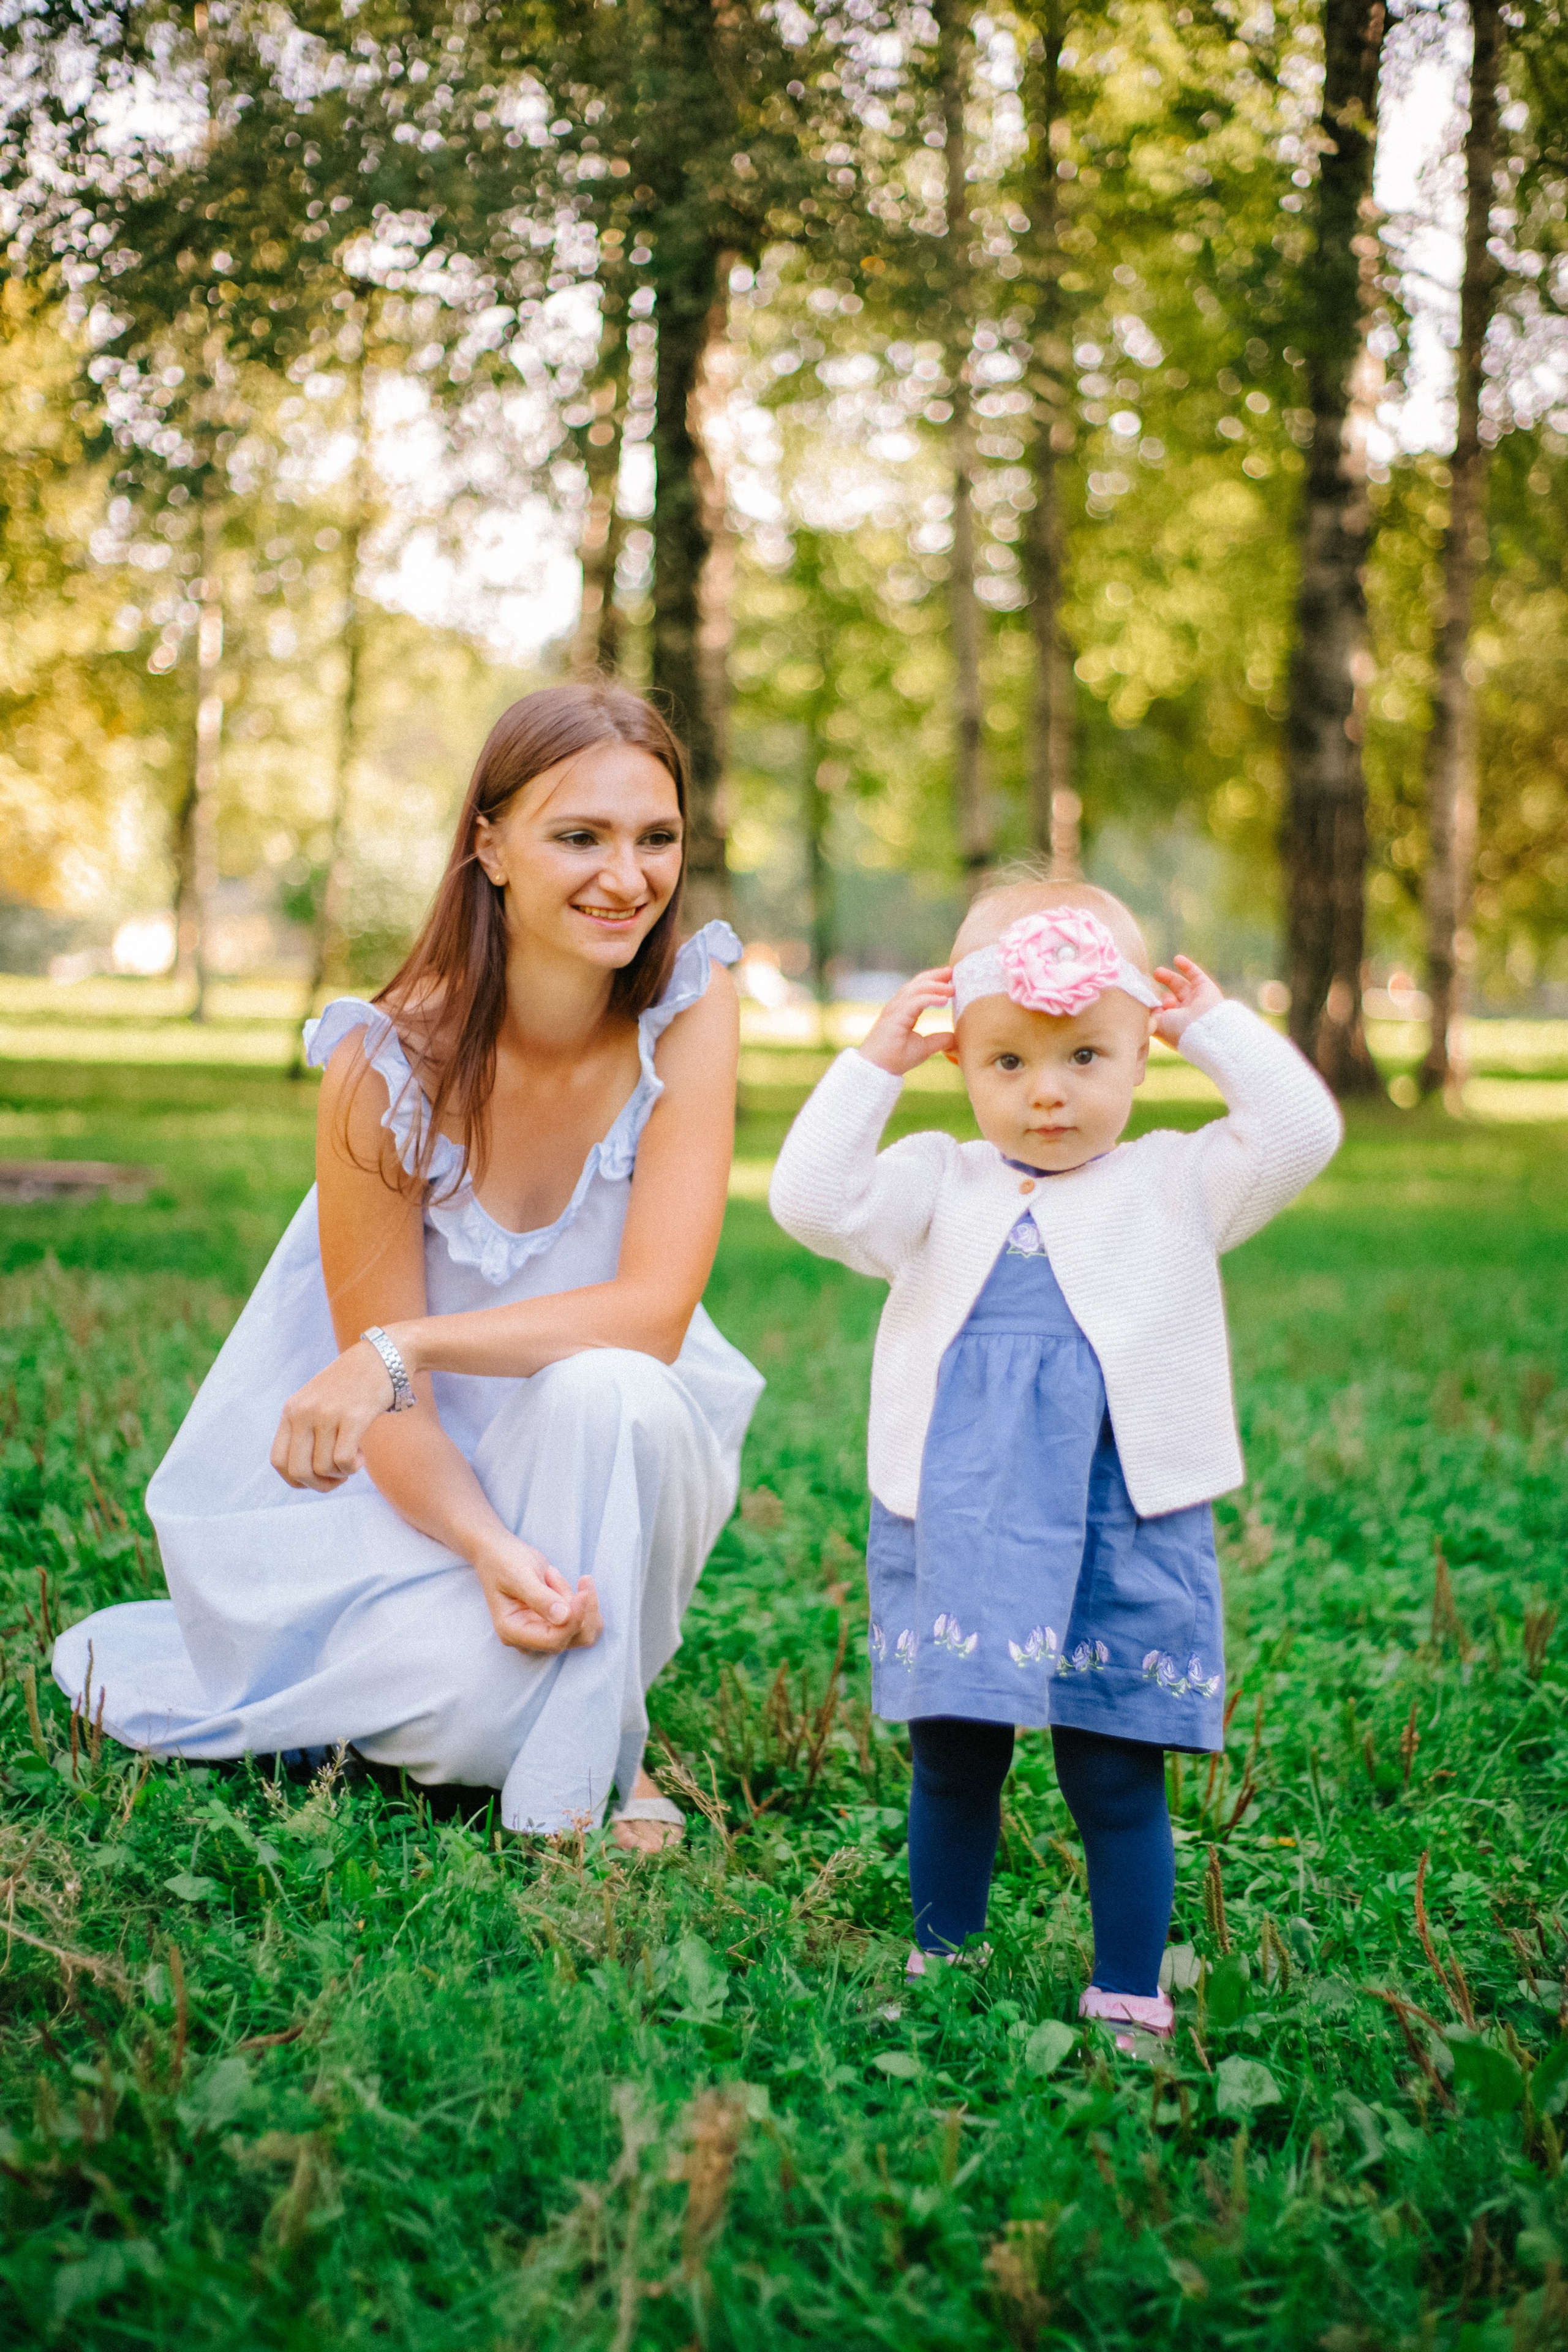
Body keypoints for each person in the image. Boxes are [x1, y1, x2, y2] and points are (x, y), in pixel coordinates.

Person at [53, 684, 763, 1849]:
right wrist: (488, 1552)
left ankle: (590, 1776)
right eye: (578, 836)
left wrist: (401, 1347)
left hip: (619, 1451)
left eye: (657, 838)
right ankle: (547, 1697)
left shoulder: (692, 1007)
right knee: (469, 1711)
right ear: (489, 845)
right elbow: (394, 1416)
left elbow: (652, 1316)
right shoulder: (384, 1067)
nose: (628, 878)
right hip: (416, 1492)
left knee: (608, 1385)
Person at [768, 879, 1341, 2040]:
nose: (1047, 1095)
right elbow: (811, 1201)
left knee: (1117, 1774)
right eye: (1009, 1063)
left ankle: (1129, 1988)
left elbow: (1301, 1132)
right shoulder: (939, 1180)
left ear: (1141, 1056)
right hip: (964, 1517)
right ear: (961, 1060)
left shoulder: (1177, 1183)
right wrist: (873, 1066)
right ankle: (945, 1963)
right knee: (953, 1760)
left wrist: (1214, 1028)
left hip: (1121, 1517)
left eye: (1087, 1056)